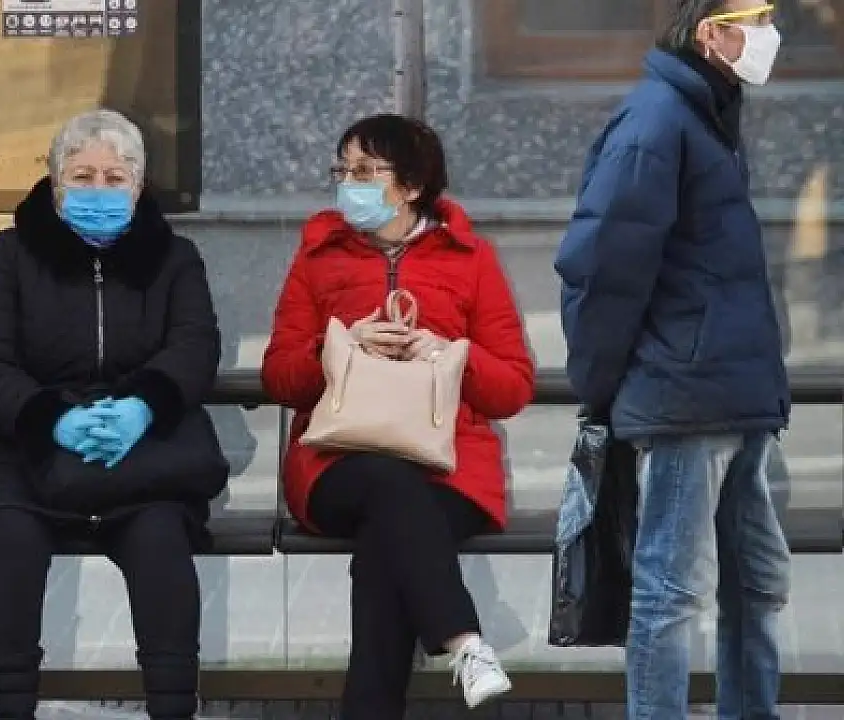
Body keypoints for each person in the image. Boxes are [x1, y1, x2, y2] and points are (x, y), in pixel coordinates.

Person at [554, 2, 792, 717]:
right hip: (685, 397)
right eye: (756, 17)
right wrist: (600, 384)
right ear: (710, 33)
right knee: (671, 590)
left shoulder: (707, 113)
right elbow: (601, 266)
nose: (770, 33)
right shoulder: (657, 122)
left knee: (757, 583)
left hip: (736, 394)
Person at [0, 109, 225, 720]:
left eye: (115, 177)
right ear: (55, 185)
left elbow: (194, 346)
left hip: (141, 450)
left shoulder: (175, 258)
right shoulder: (8, 254)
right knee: (11, 537)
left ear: (139, 186)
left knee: (160, 539)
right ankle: (11, 705)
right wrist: (49, 418)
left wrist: (141, 407)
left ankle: (174, 705)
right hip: (20, 447)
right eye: (82, 176)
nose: (99, 189)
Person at [261, 113, 534, 716]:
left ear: (411, 186)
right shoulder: (318, 257)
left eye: (365, 171)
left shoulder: (470, 259)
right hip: (335, 464)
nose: (348, 183)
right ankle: (464, 640)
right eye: (342, 170)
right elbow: (279, 376)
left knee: (387, 545)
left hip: (449, 468)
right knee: (389, 489)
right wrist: (338, 346)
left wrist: (450, 354)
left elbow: (513, 388)